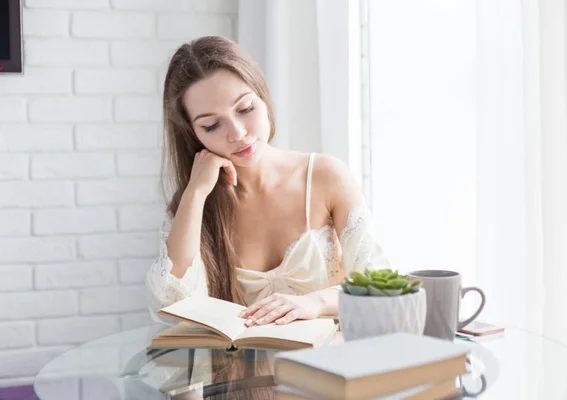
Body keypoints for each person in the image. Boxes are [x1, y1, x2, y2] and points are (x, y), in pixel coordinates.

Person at [146, 35, 390, 327]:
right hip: (239, 372)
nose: (237, 133)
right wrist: (195, 194)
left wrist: (316, 302)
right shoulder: (194, 204)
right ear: (192, 133)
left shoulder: (325, 176)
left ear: (263, 96)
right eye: (212, 125)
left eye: (245, 109)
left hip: (328, 365)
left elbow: (381, 287)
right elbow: (173, 303)